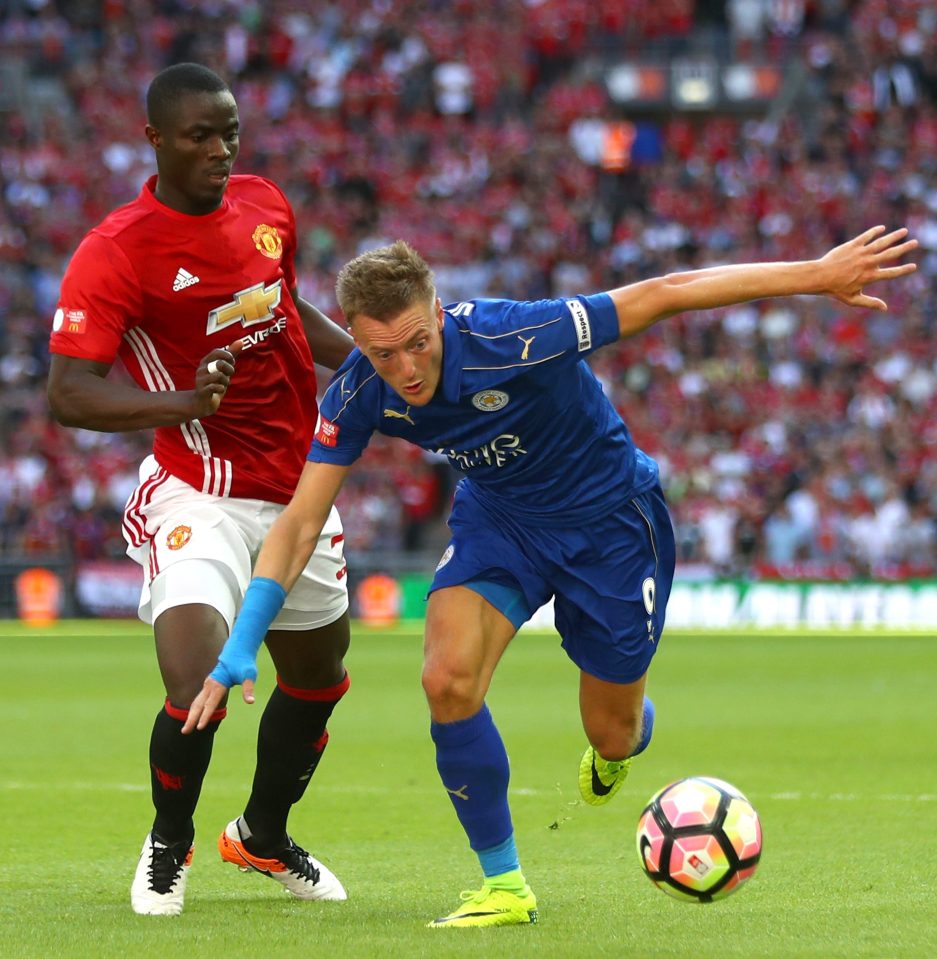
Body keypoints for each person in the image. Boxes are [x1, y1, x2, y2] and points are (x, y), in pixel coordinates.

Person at [185, 226, 917, 928]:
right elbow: (299, 521)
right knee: (445, 678)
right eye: (382, 354)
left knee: (613, 727)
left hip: (610, 525)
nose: (406, 368)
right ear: (356, 339)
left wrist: (815, 275)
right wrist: (243, 641)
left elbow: (668, 289)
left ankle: (622, 740)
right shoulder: (357, 393)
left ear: (438, 314)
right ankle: (503, 884)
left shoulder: (515, 335)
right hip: (501, 522)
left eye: (417, 342)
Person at [46, 63, 356, 917]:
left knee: (319, 677)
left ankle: (260, 833)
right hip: (199, 490)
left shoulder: (265, 206)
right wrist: (185, 401)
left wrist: (376, 366)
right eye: (199, 136)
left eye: (229, 133)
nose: (220, 150)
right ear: (153, 139)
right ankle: (169, 843)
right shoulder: (117, 249)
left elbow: (289, 309)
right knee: (193, 685)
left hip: (298, 491)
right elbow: (68, 391)